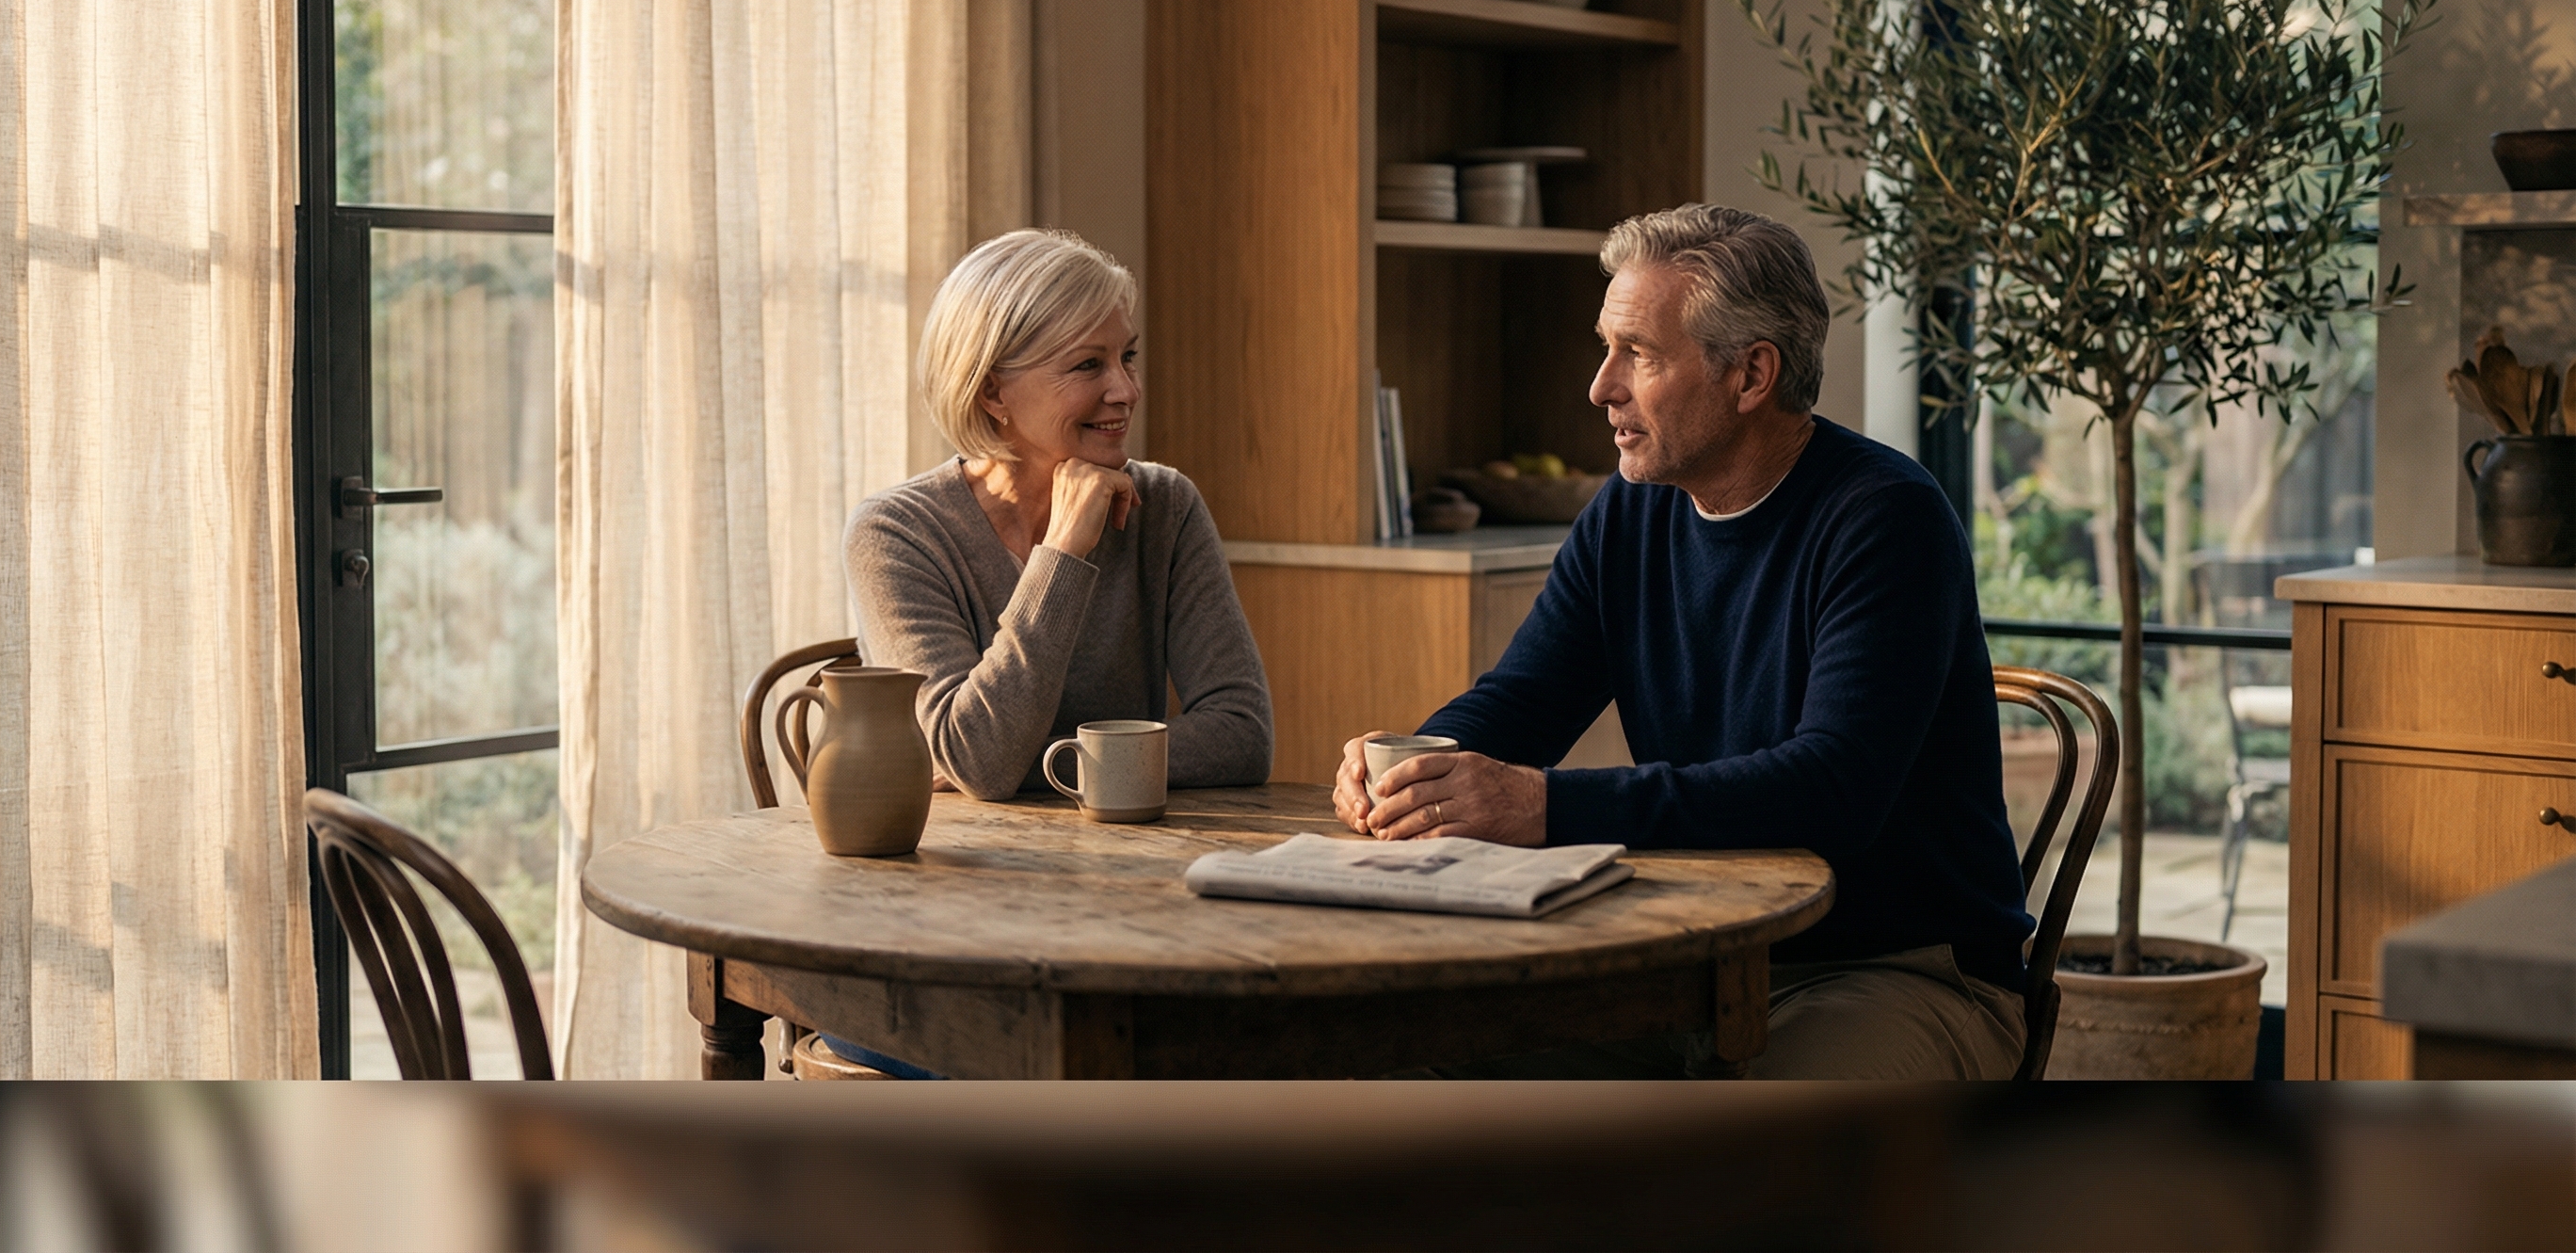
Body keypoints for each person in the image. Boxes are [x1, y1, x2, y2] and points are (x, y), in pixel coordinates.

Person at [1330, 203, 2033, 1080]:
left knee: (1763, 1162)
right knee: (1414, 1056)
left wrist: (1540, 805)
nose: (1600, 386)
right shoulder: (1633, 508)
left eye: (1640, 354)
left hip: (1896, 970)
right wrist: (1415, 767)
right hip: (1688, 954)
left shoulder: (1886, 519)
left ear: (1751, 375)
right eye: (1605, 346)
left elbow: (1833, 791)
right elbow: (1524, 699)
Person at [849, 228, 1274, 802]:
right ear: (992, 393)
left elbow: (1243, 736)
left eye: (1127, 357)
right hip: (954, 875)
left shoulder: (1165, 505)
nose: (1126, 389)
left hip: (1130, 856)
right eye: (1087, 365)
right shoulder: (895, 534)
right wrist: (1063, 554)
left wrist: (1028, 760)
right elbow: (978, 758)